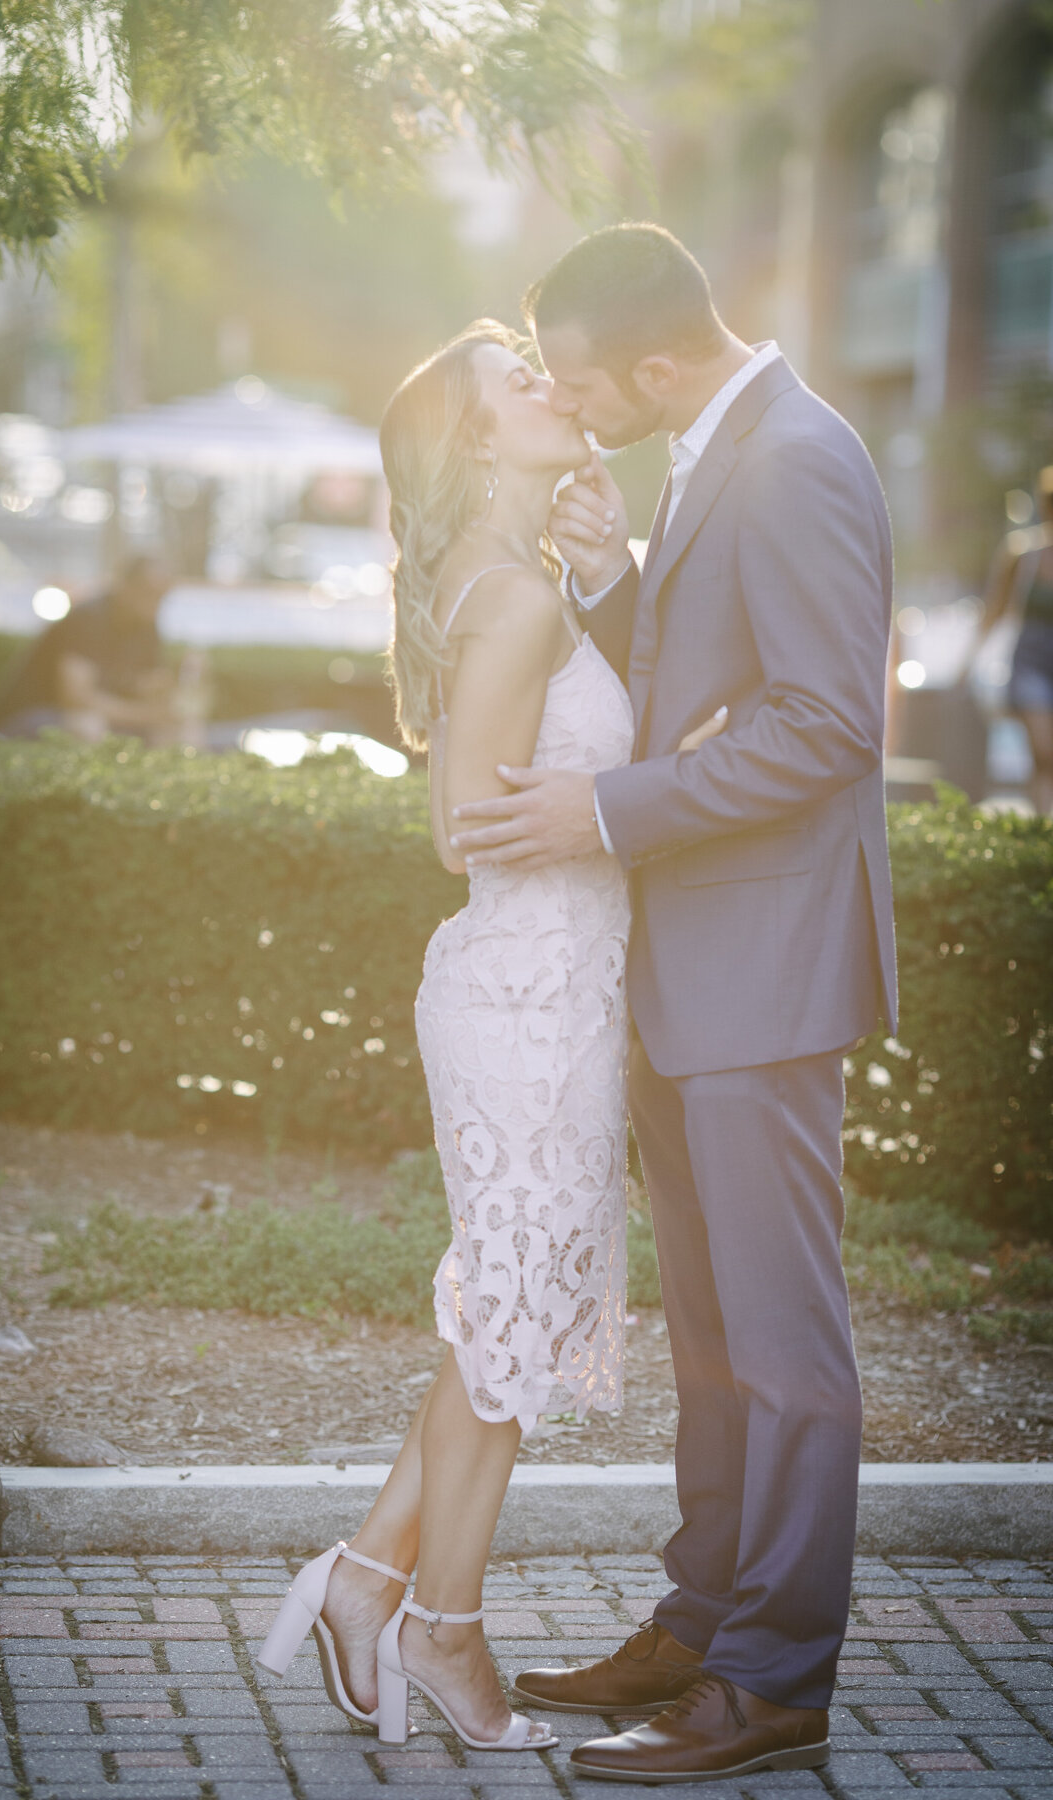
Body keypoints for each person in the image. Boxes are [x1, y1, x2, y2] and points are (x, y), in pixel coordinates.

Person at [450, 224, 897, 1784]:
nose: (568, 400)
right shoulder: (716, 448)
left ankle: (773, 1680)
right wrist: (616, 575)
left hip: (763, 972)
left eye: (575, 375)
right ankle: (702, 1624)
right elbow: (717, 660)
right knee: (714, 1338)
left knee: (782, 1346)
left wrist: (607, 813)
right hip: (692, 969)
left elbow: (830, 720)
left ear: (652, 361)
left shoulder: (798, 453)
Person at [257, 320, 721, 1756]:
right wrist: (644, 790)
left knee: (502, 1320)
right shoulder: (510, 602)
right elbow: (470, 822)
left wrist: (605, 581)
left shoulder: (525, 582)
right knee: (510, 1325)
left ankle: (375, 1584)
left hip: (557, 988)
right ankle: (439, 1630)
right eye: (521, 380)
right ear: (475, 439)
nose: (553, 385)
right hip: (526, 993)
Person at [0, 554, 196, 743]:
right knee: (87, 726)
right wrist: (144, 715)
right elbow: (76, 698)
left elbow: (148, 686)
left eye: (162, 593)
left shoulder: (146, 627)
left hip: (93, 718)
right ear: (124, 584)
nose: (156, 601)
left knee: (175, 730)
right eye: (148, 590)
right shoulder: (89, 617)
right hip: (29, 717)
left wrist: (176, 688)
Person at [957, 466, 1053, 815]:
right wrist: (967, 664)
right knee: (1044, 752)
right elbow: (993, 611)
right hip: (1031, 664)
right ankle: (1042, 830)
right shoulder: (1022, 555)